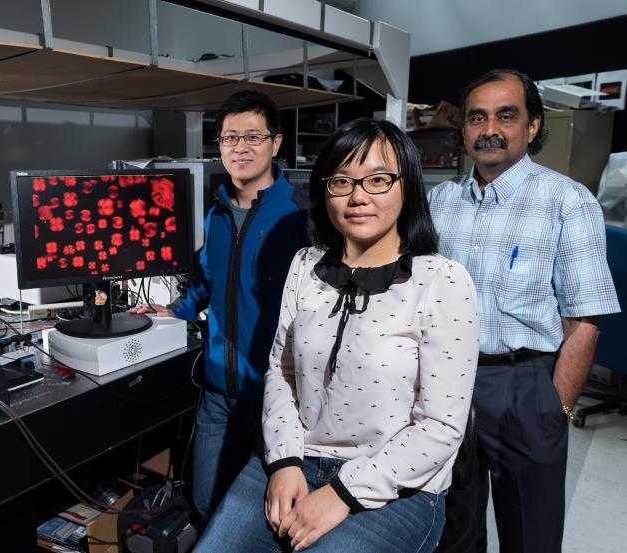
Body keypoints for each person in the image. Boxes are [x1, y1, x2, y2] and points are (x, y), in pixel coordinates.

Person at [193, 117, 480, 553]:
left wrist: (343, 494)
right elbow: (281, 373)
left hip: (396, 483)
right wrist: (285, 462)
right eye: (342, 181)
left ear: (407, 187)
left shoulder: (442, 281)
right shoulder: (306, 265)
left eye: (378, 179)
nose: (358, 196)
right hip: (296, 457)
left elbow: (441, 426)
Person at [428, 68, 621, 553]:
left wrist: (554, 409)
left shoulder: (567, 202)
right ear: (465, 129)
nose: (490, 128)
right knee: (452, 527)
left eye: (506, 115)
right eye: (478, 117)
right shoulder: (439, 202)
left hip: (524, 385)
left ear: (532, 126)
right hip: (445, 385)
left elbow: (584, 323)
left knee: (528, 535)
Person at [130, 90, 308, 524]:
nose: (240, 148)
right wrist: (178, 311)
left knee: (279, 516)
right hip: (217, 391)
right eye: (230, 138)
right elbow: (210, 280)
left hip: (276, 394)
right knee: (207, 501)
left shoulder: (302, 216)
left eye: (252, 136)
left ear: (276, 143)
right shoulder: (217, 212)